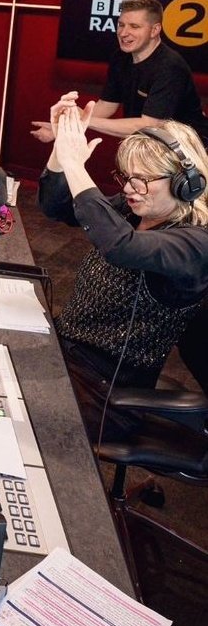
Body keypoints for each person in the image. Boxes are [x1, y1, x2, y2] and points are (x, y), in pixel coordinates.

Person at [38, 99, 208, 444]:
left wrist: (75, 164)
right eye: (127, 178)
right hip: (66, 355)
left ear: (184, 183)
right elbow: (57, 207)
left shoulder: (196, 244)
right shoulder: (135, 211)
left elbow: (121, 247)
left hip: (106, 394)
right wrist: (61, 151)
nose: (130, 188)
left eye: (143, 180)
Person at [31, 0, 208, 146]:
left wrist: (82, 121)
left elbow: (149, 126)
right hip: (151, 146)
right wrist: (62, 128)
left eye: (134, 26)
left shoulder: (170, 66)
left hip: (191, 151)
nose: (124, 33)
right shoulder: (120, 57)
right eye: (121, 24)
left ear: (155, 30)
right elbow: (106, 106)